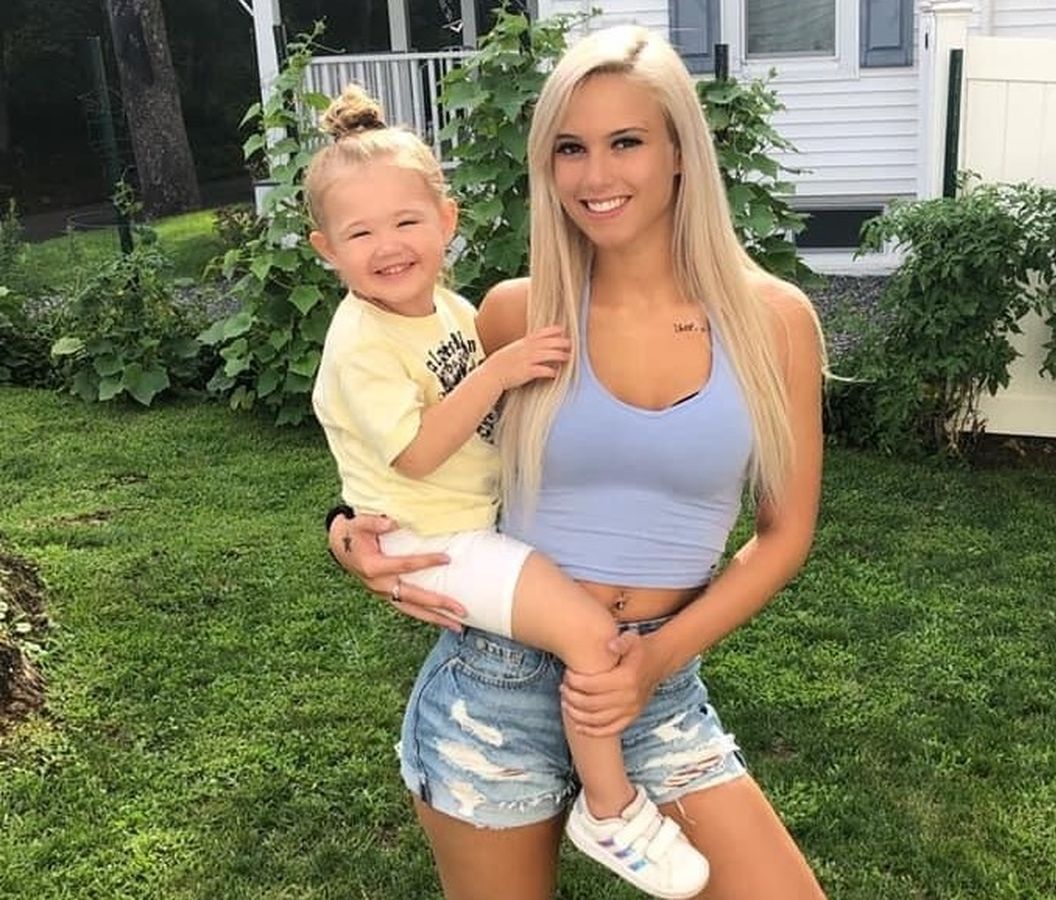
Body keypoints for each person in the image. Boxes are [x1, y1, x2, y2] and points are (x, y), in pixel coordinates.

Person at [328, 25, 827, 900]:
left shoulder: (773, 322)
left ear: (680, 151)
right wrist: (343, 532)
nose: (596, 176)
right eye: (570, 148)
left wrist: (655, 661)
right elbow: (408, 445)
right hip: (495, 686)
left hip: (654, 683)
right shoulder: (515, 317)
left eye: (625, 141)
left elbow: (783, 535)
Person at [307, 85, 711, 898]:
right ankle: (611, 809)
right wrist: (498, 372)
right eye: (360, 233)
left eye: (406, 222)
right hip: (438, 541)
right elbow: (415, 453)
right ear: (326, 250)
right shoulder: (363, 340)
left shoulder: (448, 310)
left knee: (581, 631)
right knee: (589, 635)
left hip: (470, 530)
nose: (388, 246)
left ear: (446, 220)